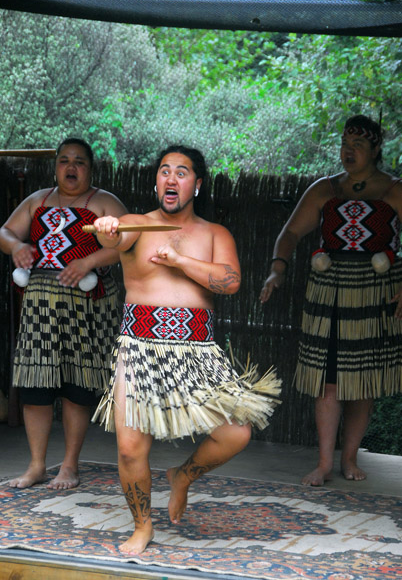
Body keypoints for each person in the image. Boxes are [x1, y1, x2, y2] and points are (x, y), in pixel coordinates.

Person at [93, 145, 281, 555]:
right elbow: (114, 231)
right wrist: (109, 227)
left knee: (236, 432)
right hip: (139, 347)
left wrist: (178, 260)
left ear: (197, 183)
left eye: (181, 172)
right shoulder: (136, 225)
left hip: (197, 351)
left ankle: (183, 475)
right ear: (156, 181)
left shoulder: (215, 234)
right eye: (164, 171)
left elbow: (230, 281)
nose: (171, 178)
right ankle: (143, 526)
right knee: (129, 448)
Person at [260, 114, 402, 486]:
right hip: (330, 293)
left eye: (357, 145)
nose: (348, 150)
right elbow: (290, 232)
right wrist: (278, 267)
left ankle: (349, 458)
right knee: (330, 381)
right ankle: (325, 462)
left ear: (375, 149)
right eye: (344, 143)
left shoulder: (394, 189)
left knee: (363, 383)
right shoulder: (325, 188)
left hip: (375, 294)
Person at [0, 138, 127, 490]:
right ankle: (37, 465)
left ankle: (69, 465)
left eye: (80, 162)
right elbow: (5, 231)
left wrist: (88, 261)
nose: (71, 168)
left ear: (91, 168)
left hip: (86, 307)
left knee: (77, 385)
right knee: (35, 386)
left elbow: (128, 242)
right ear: (55, 166)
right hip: (40, 306)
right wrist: (17, 247)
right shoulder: (37, 200)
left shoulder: (104, 202)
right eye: (64, 161)